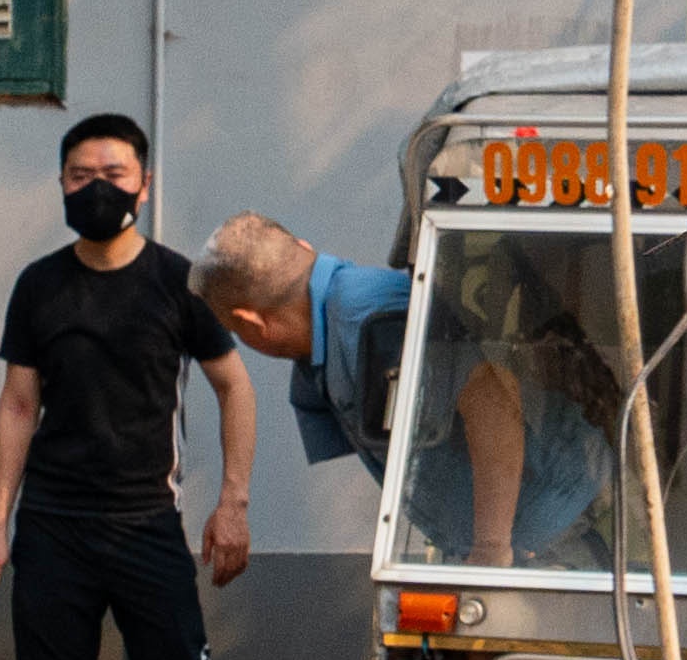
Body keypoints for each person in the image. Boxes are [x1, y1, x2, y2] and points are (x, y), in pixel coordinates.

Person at [0, 112, 271, 660]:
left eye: (112, 172)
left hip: (147, 522)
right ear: (61, 186)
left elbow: (234, 386)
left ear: (143, 183)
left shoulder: (180, 281)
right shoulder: (39, 285)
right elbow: (16, 404)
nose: (96, 187)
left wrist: (232, 502)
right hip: (52, 528)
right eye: (79, 175)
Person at [201, 209, 618, 573]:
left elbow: (491, 396)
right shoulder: (325, 337)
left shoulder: (369, 320)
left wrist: (490, 550)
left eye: (236, 333)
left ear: (256, 325)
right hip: (509, 540)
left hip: (552, 534)